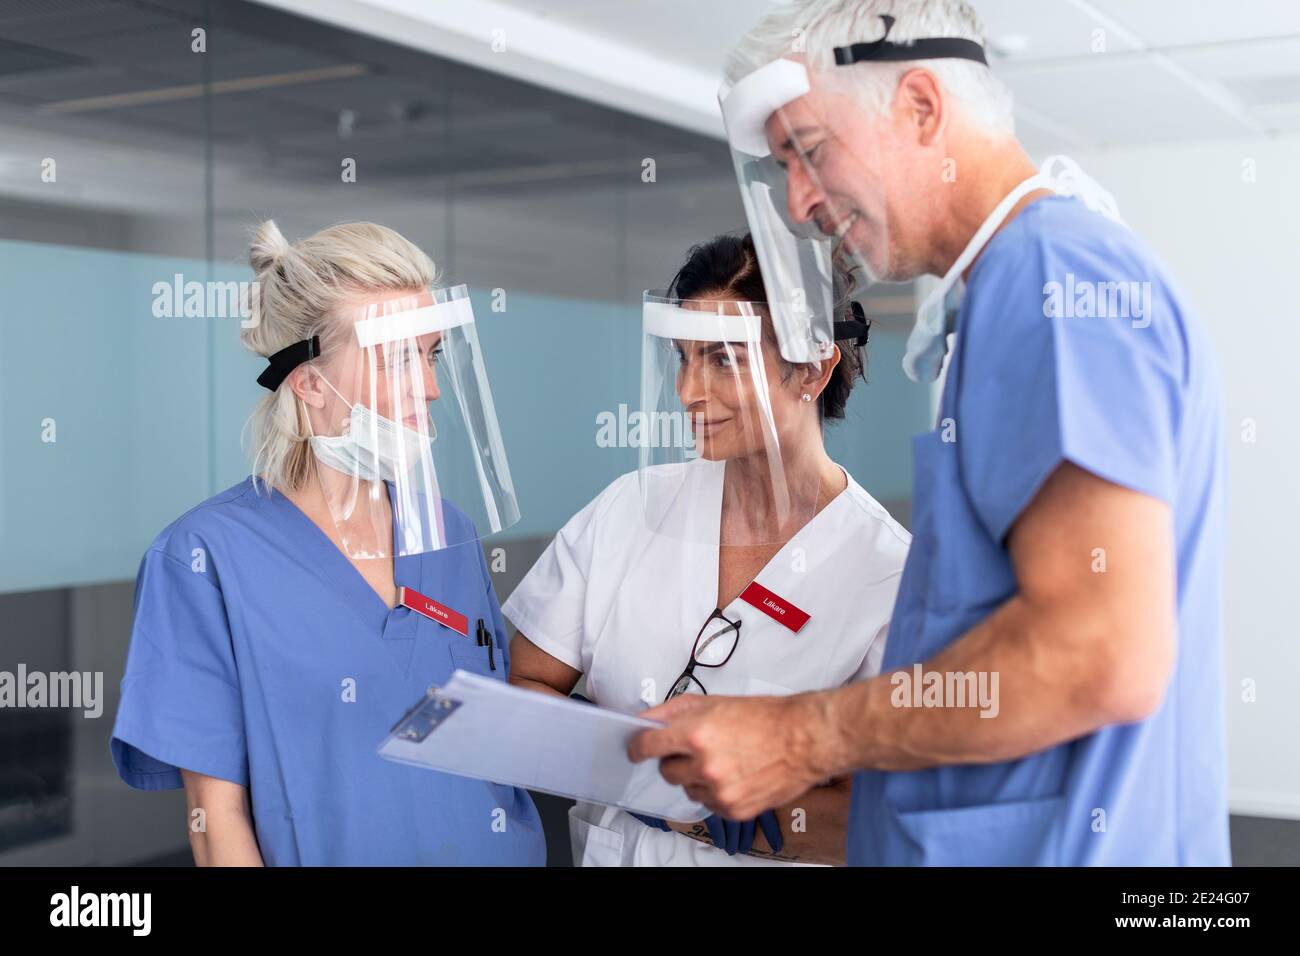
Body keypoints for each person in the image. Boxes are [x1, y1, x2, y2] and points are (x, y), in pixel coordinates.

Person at [630, 0, 1229, 866]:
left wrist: (798, 738)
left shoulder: (1052, 280)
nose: (798, 198)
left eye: (810, 150)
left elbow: (1100, 653)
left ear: (920, 107)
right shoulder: (1010, 295)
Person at [110, 220, 546, 866]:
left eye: (431, 356)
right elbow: (214, 820)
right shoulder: (204, 560)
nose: (428, 387)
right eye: (399, 357)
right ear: (309, 382)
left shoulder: (447, 532)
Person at [504, 233, 909, 866]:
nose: (690, 389)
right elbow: (524, 683)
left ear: (812, 368)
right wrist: (646, 781)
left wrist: (731, 812)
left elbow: (883, 816)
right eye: (683, 357)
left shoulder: (889, 572)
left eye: (723, 359)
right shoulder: (628, 509)